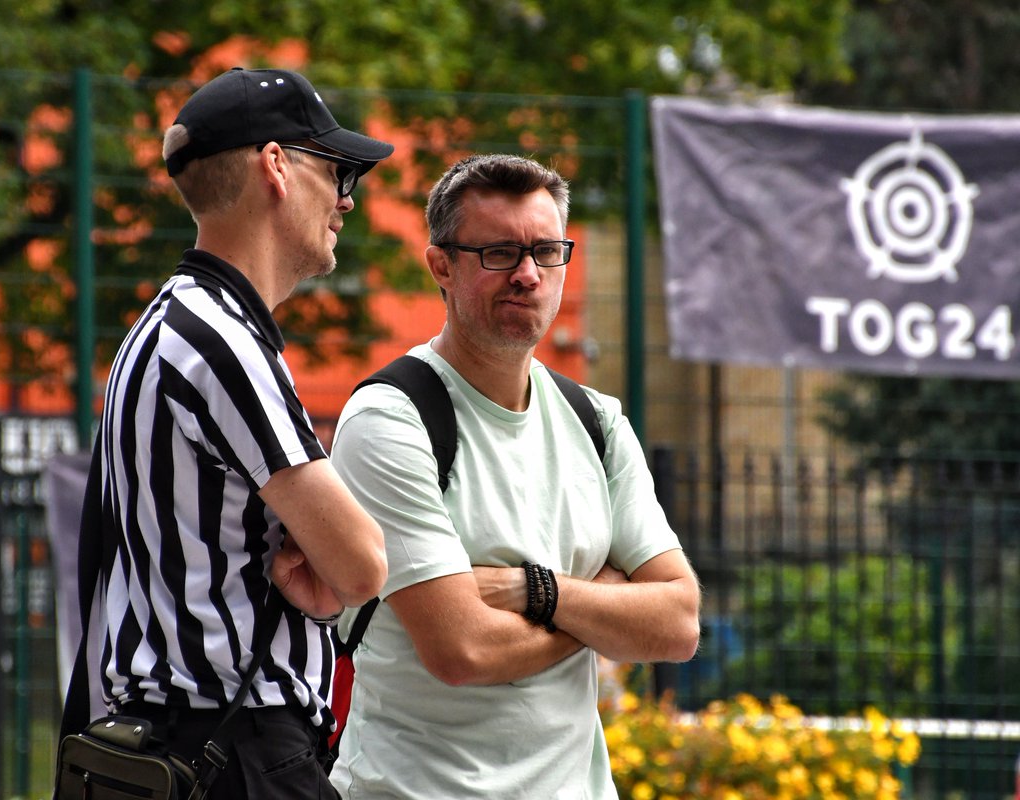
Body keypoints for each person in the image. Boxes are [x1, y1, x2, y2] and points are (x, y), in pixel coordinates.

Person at [328, 154, 701, 799]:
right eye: (498, 252)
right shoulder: (390, 419)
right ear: (441, 265)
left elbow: (678, 623)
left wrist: (541, 593)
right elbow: (462, 651)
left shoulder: (598, 423)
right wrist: (600, 609)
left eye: (546, 251)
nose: (527, 275)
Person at [93, 66, 392, 799]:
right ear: (276, 166)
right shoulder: (221, 341)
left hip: (181, 738)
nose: (347, 199)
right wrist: (326, 574)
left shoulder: (168, 324)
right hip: (239, 748)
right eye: (336, 170)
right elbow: (360, 566)